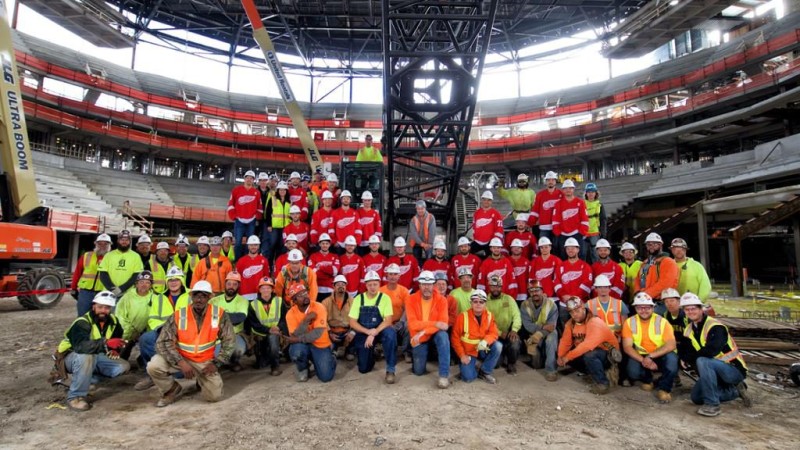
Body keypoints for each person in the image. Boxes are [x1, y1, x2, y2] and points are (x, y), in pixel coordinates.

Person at [147, 280, 236, 407]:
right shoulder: (179, 314)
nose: (199, 299)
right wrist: (181, 362)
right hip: (181, 357)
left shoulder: (219, 314)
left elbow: (229, 340)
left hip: (204, 362)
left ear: (209, 297)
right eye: (196, 295)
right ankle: (170, 390)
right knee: (153, 366)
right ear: (191, 296)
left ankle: (201, 382)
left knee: (214, 397)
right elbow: (162, 342)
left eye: (203, 296)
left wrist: (217, 363)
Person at [56, 291, 130, 411]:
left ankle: (87, 380)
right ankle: (75, 396)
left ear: (111, 308)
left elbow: (116, 340)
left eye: (106, 308)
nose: (103, 310)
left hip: (94, 356)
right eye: (100, 307)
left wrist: (114, 349)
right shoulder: (82, 322)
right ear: (93, 306)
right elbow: (81, 347)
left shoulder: (114, 322)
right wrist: (105, 343)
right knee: (86, 356)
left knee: (123, 366)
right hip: (69, 358)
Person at [681, 292, 751, 417]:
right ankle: (735, 391)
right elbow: (686, 350)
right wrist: (684, 358)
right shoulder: (689, 330)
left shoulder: (715, 326)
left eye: (693, 308)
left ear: (701, 309)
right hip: (713, 373)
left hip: (732, 370)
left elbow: (711, 351)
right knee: (696, 398)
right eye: (687, 309)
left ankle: (712, 404)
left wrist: (689, 358)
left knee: (703, 360)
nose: (690, 312)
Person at [134, 266, 190, 391]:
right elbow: (153, 318)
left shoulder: (191, 295)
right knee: (145, 339)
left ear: (182, 280)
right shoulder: (159, 298)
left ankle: (178, 368)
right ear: (166, 282)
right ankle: (156, 373)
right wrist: (161, 329)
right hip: (163, 331)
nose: (173, 282)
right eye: (170, 280)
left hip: (186, 332)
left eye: (176, 279)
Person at [621, 292, 678, 403]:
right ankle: (648, 379)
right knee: (633, 372)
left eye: (647, 307)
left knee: (672, 362)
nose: (644, 310)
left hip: (660, 354)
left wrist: (650, 357)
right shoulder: (629, 322)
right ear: (635, 308)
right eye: (640, 308)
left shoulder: (662, 322)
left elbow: (671, 345)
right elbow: (627, 347)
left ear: (653, 307)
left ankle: (664, 389)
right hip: (641, 355)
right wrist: (644, 360)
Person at [557, 297, 620, 395]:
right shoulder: (570, 323)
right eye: (571, 312)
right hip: (589, 351)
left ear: (583, 308)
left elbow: (587, 345)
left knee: (589, 355)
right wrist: (561, 357)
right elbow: (565, 342)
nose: (574, 314)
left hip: (607, 354)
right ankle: (592, 372)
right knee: (570, 354)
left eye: (577, 310)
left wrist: (567, 357)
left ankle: (603, 383)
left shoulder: (594, 321)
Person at [349, 271, 397, 383]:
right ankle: (371, 354)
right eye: (369, 284)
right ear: (365, 285)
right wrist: (367, 332)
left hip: (380, 330)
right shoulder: (358, 299)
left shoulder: (385, 298)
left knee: (390, 334)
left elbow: (388, 320)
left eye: (375, 284)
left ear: (379, 284)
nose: (372, 287)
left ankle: (390, 369)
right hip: (364, 331)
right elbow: (352, 322)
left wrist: (374, 332)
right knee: (363, 369)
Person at [406, 271, 451, 389]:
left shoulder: (442, 300)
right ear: (419, 285)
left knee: (443, 336)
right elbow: (413, 324)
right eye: (423, 284)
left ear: (434, 285)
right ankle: (423, 354)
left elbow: (444, 325)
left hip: (430, 334)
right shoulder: (410, 299)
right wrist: (435, 323)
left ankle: (443, 375)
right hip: (420, 336)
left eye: (430, 284)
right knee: (418, 371)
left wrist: (425, 331)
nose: (427, 287)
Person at [286, 284, 337, 382]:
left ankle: (332, 358)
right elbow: (294, 335)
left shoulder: (319, 307)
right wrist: (305, 321)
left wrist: (298, 339)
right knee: (296, 351)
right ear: (294, 301)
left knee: (325, 377)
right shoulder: (290, 313)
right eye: (300, 295)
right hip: (304, 345)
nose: (305, 296)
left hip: (320, 345)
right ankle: (303, 369)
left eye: (305, 292)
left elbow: (317, 333)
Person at [451, 290, 502, 384]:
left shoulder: (489, 316)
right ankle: (474, 366)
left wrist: (486, 341)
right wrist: (462, 355)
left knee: (498, 346)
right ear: (471, 303)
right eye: (475, 301)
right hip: (469, 352)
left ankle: (484, 372)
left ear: (485, 304)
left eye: (481, 302)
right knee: (468, 378)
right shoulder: (462, 317)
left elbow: (494, 333)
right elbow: (455, 339)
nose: (478, 304)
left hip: (483, 349)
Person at [209, 272, 250, 371]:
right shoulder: (215, 300)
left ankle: (233, 361)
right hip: (217, 335)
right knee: (215, 354)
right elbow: (207, 317)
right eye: (229, 284)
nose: (231, 287)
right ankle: (222, 362)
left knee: (238, 349)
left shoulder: (243, 301)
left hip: (236, 334)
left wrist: (218, 316)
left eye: (235, 284)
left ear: (238, 286)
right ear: (225, 284)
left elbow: (239, 318)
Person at [519, 279, 558, 381]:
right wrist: (542, 328)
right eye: (531, 291)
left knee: (551, 339)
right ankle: (538, 355)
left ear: (542, 291)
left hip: (549, 333)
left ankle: (551, 370)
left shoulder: (551, 304)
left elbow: (551, 326)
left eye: (537, 290)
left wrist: (540, 333)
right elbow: (527, 325)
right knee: (536, 365)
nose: (534, 293)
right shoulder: (525, 305)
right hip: (532, 333)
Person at [245, 277, 284, 375]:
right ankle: (264, 358)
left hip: (276, 332)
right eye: (263, 288)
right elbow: (254, 323)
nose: (266, 290)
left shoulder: (279, 301)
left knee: (273, 340)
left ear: (272, 289)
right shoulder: (253, 304)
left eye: (268, 287)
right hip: (260, 334)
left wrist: (279, 327)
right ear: (259, 289)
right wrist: (268, 330)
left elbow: (285, 318)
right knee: (261, 364)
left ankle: (275, 366)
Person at [485, 276, 522, 375]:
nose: (495, 289)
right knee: (496, 365)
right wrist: (499, 333)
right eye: (493, 286)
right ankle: (502, 353)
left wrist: (514, 330)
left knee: (515, 341)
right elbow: (485, 323)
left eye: (498, 286)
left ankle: (511, 363)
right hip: (492, 334)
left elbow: (517, 315)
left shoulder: (509, 299)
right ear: (489, 287)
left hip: (508, 332)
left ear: (501, 287)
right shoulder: (485, 301)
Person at [115, 271, 155, 358]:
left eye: (147, 282)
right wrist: (131, 331)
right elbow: (119, 315)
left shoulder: (155, 298)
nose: (144, 285)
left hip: (144, 331)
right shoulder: (127, 297)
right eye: (141, 282)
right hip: (125, 332)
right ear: (136, 284)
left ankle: (142, 361)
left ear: (151, 285)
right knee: (120, 356)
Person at [637, 233, 679, 315]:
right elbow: (640, 278)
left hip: (662, 302)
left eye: (654, 244)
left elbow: (665, 283)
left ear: (660, 245)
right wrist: (637, 292)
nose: (651, 246)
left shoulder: (668, 262)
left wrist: (646, 294)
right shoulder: (645, 263)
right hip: (645, 300)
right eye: (648, 244)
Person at [554, 237, 593, 325]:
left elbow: (587, 285)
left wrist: (573, 298)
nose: (570, 250)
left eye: (573, 248)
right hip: (564, 304)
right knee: (566, 329)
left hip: (580, 304)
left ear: (578, 249)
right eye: (568, 248)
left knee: (581, 329)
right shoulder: (560, 266)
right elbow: (556, 283)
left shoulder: (586, 266)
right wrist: (563, 295)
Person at [71, 233, 112, 316]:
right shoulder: (86, 256)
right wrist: (73, 288)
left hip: (103, 292)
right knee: (83, 316)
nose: (102, 246)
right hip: (86, 292)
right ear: (95, 244)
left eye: (105, 244)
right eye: (100, 243)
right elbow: (78, 272)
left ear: (110, 245)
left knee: (101, 317)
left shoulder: (112, 258)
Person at [97, 230, 143, 300]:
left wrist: (121, 289)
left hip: (128, 294)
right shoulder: (109, 255)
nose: (124, 242)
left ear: (130, 241)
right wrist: (112, 289)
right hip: (109, 294)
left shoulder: (136, 256)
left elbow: (136, 276)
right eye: (122, 239)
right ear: (118, 240)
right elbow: (103, 274)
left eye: (127, 240)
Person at [227, 170, 262, 260]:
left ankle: (247, 260)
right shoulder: (236, 190)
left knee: (250, 243)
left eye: (251, 178)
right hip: (239, 221)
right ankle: (238, 261)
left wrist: (257, 216)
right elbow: (231, 204)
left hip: (251, 221)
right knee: (238, 242)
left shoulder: (256, 192)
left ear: (253, 180)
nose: (249, 180)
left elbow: (260, 206)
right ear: (244, 179)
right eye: (247, 178)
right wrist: (233, 216)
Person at [380, 263, 411, 363]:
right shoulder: (381, 291)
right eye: (391, 274)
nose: (393, 277)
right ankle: (386, 350)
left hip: (400, 321)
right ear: (386, 276)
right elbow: (378, 310)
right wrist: (386, 323)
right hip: (385, 322)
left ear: (399, 276)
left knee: (408, 326)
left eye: (395, 274)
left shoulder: (404, 291)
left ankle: (406, 351)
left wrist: (401, 322)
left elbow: (408, 308)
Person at [552, 179, 589, 260]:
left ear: (573, 189)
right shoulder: (558, 204)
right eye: (566, 188)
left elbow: (585, 219)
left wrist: (581, 232)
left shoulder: (581, 202)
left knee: (580, 256)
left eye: (570, 188)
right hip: (563, 235)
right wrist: (558, 233)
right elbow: (555, 220)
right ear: (563, 190)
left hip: (577, 234)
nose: (568, 190)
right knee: (564, 256)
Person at [322, 275, 355, 360]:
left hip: (347, 332)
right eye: (338, 284)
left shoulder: (353, 301)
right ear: (333, 286)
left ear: (346, 286)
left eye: (343, 284)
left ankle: (348, 349)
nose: (341, 286)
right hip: (332, 333)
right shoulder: (326, 302)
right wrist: (329, 333)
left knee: (358, 338)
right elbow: (322, 320)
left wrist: (352, 332)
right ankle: (336, 348)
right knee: (328, 352)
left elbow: (357, 318)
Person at [586, 275, 629, 340]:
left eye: (606, 287)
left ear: (610, 288)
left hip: (616, 339)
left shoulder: (620, 304)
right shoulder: (588, 304)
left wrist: (622, 339)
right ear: (596, 289)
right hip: (597, 340)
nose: (603, 290)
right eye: (600, 287)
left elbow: (626, 326)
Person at [529, 171, 564, 243]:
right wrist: (530, 223)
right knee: (543, 247)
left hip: (558, 226)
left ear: (555, 181)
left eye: (552, 180)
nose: (550, 182)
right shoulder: (540, 195)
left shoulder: (561, 194)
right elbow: (535, 211)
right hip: (544, 228)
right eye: (548, 180)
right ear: (546, 181)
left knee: (557, 249)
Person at [263, 181, 291, 264]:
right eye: (281, 190)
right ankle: (270, 264)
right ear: (278, 191)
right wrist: (269, 225)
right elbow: (268, 212)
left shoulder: (289, 202)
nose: (282, 192)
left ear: (286, 191)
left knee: (281, 246)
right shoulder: (273, 199)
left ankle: (278, 264)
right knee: (272, 245)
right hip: (274, 227)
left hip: (285, 227)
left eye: (284, 190)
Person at [236, 235, 270, 300]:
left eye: (255, 245)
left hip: (259, 294)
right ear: (248, 246)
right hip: (244, 294)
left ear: (258, 246)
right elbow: (237, 279)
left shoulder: (264, 260)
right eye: (251, 245)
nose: (253, 247)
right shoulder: (241, 261)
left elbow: (266, 278)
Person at [471, 191, 504, 257]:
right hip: (477, 241)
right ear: (482, 200)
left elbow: (499, 230)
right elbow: (474, 227)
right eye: (484, 199)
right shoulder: (476, 213)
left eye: (489, 200)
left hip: (490, 243)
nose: (486, 202)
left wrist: (494, 243)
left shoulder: (496, 214)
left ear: (491, 201)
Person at [308, 233, 340, 302]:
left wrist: (320, 267)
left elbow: (334, 272)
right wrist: (328, 271)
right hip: (316, 288)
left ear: (329, 244)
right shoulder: (313, 256)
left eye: (326, 243)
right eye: (323, 243)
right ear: (319, 244)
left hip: (330, 289)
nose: (325, 245)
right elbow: (313, 273)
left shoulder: (335, 256)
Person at [331, 190, 362, 254]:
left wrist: (356, 242)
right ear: (341, 200)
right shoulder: (335, 213)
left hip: (352, 244)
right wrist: (334, 241)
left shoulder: (355, 213)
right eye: (344, 198)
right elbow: (331, 229)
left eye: (348, 198)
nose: (346, 200)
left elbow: (358, 230)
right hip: (339, 244)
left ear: (350, 200)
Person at [583, 183, 606, 264]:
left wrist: (603, 233)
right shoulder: (582, 204)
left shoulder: (599, 205)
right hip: (584, 233)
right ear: (586, 193)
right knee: (583, 254)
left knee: (595, 255)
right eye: (589, 192)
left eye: (592, 192)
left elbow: (603, 220)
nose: (591, 194)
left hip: (595, 233)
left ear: (596, 193)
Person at [358, 191, 382, 256]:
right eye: (365, 200)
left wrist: (376, 242)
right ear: (362, 200)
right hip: (360, 243)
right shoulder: (357, 212)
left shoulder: (375, 213)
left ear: (371, 201)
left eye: (369, 200)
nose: (367, 202)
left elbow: (378, 229)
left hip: (371, 243)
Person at [507, 239, 531, 304]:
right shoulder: (506, 261)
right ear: (511, 249)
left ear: (522, 249)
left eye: (518, 248)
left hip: (523, 294)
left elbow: (529, 279)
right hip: (509, 294)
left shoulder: (527, 262)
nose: (516, 249)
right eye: (514, 247)